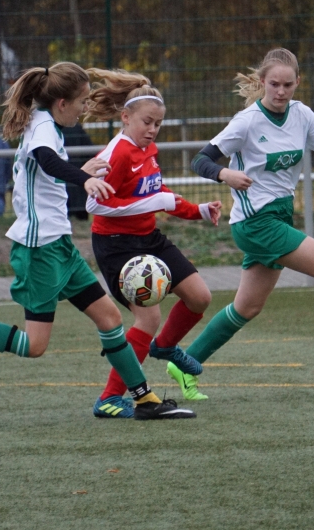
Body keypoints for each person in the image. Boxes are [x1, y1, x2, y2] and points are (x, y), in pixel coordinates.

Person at [0, 61, 195, 421]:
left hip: (59, 246)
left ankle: (141, 399)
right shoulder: (44, 127)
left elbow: (42, 174)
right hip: (38, 250)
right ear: (62, 103)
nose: (85, 108)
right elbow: (45, 161)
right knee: (34, 346)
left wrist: (82, 172)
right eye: (81, 102)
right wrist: (83, 179)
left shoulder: (46, 124)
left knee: (109, 319)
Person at [173, 47, 314, 400]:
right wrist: (225, 174)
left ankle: (184, 363)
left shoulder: (302, 115)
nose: (281, 91)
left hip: (279, 215)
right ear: (262, 83)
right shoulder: (247, 121)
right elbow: (200, 160)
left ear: (298, 82)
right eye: (274, 84)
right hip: (256, 223)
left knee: (247, 307)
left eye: (288, 84)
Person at [84, 69, 222, 418]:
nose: (152, 129)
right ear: (126, 117)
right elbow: (94, 205)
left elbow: (158, 194)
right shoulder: (115, 154)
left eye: (158, 124)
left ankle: (164, 347)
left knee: (199, 297)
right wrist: (149, 204)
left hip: (149, 239)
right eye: (147, 122)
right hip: (115, 245)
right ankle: (110, 398)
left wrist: (199, 212)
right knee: (148, 317)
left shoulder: (148, 149)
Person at [62, 122, 96, 220]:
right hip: (78, 187)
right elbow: (90, 152)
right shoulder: (75, 127)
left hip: (60, 188)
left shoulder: (49, 129)